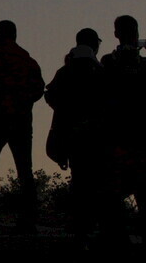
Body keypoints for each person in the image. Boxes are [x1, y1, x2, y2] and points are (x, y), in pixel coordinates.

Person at [0, 20, 45, 225]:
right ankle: (29, 216)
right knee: (24, 168)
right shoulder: (26, 60)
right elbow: (39, 88)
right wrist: (24, 103)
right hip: (21, 120)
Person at [99, 15, 146, 238]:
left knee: (116, 194)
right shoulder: (145, 66)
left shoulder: (108, 62)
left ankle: (119, 241)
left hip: (119, 139)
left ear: (116, 34)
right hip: (142, 140)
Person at [44, 28, 106, 244]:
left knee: (79, 177)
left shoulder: (65, 71)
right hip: (93, 134)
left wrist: (64, 113)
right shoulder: (98, 71)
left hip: (69, 134)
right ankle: (88, 222)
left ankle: (80, 222)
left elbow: (50, 95)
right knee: (93, 179)